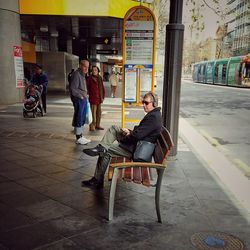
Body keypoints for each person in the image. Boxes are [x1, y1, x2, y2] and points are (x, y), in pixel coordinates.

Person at [81, 91, 162, 189]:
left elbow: (137, 136)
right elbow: (141, 133)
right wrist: (129, 131)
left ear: (154, 103)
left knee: (107, 151)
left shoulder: (153, 117)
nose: (143, 105)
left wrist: (125, 138)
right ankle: (101, 148)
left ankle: (97, 179)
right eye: (143, 102)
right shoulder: (154, 114)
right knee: (114, 128)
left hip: (137, 150)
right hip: (137, 144)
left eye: (146, 103)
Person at [69, 59, 91, 145]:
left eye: (87, 67)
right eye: (85, 66)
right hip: (79, 100)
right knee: (79, 116)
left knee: (81, 117)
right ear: (80, 65)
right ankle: (78, 137)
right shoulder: (76, 74)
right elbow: (73, 89)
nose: (86, 69)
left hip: (83, 99)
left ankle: (80, 136)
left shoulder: (82, 74)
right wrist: (81, 96)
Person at [87, 66, 106, 131]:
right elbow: (87, 87)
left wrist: (103, 96)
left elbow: (102, 88)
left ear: (98, 71)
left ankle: (98, 125)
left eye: (95, 70)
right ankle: (92, 126)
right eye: (93, 70)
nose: (94, 71)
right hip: (93, 98)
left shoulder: (99, 78)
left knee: (98, 113)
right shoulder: (89, 78)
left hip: (99, 98)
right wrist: (87, 94)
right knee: (93, 114)